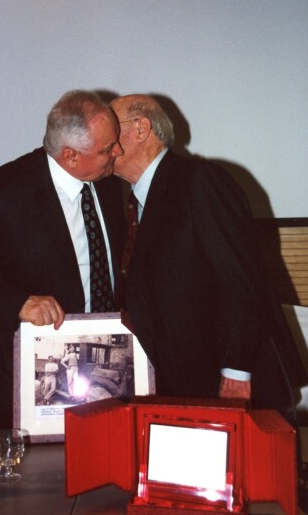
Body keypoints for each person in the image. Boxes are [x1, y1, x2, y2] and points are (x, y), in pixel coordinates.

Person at [0, 90, 124, 426]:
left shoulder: (106, 182)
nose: (118, 152)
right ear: (70, 156)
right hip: (17, 383)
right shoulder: (5, 193)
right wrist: (19, 302)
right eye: (107, 148)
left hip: (94, 379)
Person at [111, 93, 307, 412]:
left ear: (141, 128)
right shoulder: (133, 201)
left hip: (225, 383)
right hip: (181, 383)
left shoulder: (200, 181)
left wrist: (237, 371)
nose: (103, 139)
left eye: (111, 127)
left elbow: (244, 282)